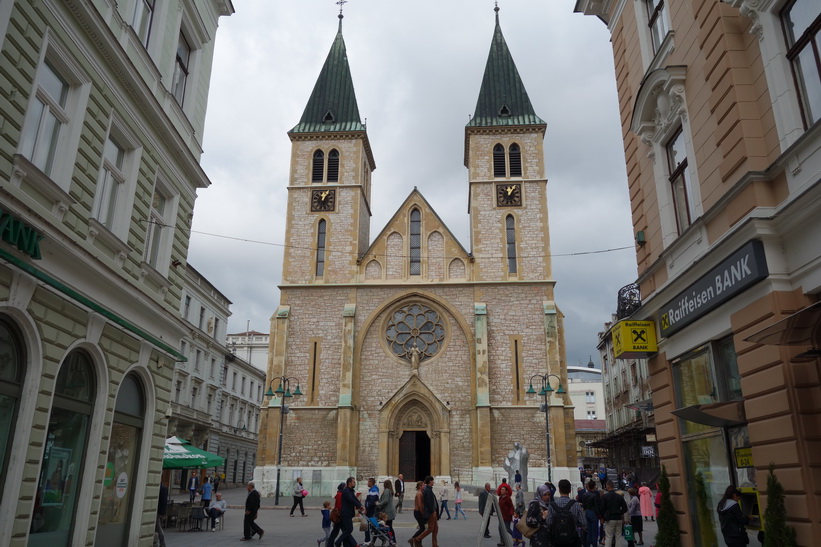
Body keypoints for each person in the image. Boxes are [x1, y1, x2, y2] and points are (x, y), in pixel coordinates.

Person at [335, 476, 363, 547]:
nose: (355, 483)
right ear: (349, 483)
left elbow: (355, 499)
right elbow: (351, 499)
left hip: (347, 513)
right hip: (345, 513)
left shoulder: (350, 491)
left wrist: (360, 505)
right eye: (354, 482)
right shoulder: (346, 491)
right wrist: (359, 506)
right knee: (349, 529)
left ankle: (347, 544)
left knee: (346, 530)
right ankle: (338, 542)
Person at [413, 475, 439, 546]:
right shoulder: (427, 490)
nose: (433, 482)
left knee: (435, 528)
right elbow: (428, 503)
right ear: (430, 481)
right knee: (430, 528)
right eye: (433, 480)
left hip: (433, 511)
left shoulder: (429, 489)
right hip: (431, 512)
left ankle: (434, 544)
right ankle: (417, 539)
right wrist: (432, 511)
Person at [601, 480, 628, 547]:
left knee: (609, 537)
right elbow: (625, 508)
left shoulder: (605, 496)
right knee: (618, 536)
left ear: (607, 486)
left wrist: (603, 517)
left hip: (609, 518)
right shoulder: (619, 497)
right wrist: (620, 513)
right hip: (618, 518)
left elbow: (602, 508)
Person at [580, 480, 602, 547]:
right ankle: (594, 544)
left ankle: (587, 545)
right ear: (594, 486)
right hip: (593, 512)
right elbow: (597, 506)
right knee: (594, 531)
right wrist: (600, 516)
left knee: (589, 531)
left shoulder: (585, 494)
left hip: (587, 512)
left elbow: (584, 505)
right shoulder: (595, 495)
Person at [499, 480, 515, 545]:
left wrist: (511, 513)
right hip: (501, 516)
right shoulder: (500, 498)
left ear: (506, 491)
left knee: (507, 529)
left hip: (507, 516)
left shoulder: (508, 498)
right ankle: (502, 541)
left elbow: (511, 506)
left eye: (503, 490)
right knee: (500, 529)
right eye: (501, 490)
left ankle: (516, 538)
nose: (502, 491)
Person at [364, 477, 379, 543]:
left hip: (371, 510)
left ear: (371, 483)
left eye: (368, 482)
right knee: (372, 526)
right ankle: (368, 540)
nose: (367, 483)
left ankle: (367, 540)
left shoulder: (373, 490)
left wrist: (366, 507)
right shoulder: (372, 489)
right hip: (371, 510)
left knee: (368, 526)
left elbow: (371, 501)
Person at [156, 483, 167, 547]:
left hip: (157, 512)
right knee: (157, 527)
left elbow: (164, 502)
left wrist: (162, 513)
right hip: (155, 511)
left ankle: (162, 544)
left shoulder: (163, 489)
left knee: (158, 527)